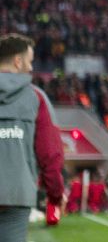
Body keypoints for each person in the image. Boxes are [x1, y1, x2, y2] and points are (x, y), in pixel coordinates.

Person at [0, 33, 65, 242]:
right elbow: (50, 154)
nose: (30, 68)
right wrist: (55, 195)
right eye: (29, 61)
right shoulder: (36, 98)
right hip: (16, 196)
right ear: (18, 62)